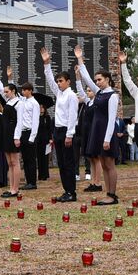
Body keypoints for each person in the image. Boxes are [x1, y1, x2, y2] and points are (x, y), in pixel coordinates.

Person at [43, 47, 81, 202]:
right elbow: (50, 81)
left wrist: (69, 135)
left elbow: (72, 116)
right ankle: (66, 190)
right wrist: (47, 64)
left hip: (67, 131)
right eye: (58, 81)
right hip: (58, 131)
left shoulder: (71, 95)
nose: (58, 84)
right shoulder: (59, 93)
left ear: (68, 82)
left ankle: (72, 192)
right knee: (61, 163)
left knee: (68, 163)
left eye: (61, 81)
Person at [80, 63, 120, 206]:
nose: (97, 82)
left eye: (100, 79)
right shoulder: (99, 93)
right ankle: (108, 193)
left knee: (109, 164)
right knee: (103, 164)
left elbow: (111, 119)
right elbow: (87, 79)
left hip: (106, 132)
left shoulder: (113, 96)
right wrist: (80, 60)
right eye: (96, 80)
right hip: (97, 132)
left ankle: (112, 195)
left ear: (107, 79)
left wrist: (107, 139)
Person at [0, 64, 23, 197]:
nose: (5, 93)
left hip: (13, 134)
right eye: (5, 92)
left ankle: (15, 189)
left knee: (15, 162)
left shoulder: (19, 103)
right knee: (9, 162)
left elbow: (20, 121)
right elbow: (0, 87)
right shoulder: (8, 101)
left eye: (7, 91)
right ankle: (11, 188)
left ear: (13, 91)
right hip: (5, 134)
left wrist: (17, 137)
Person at [14, 78, 41, 190]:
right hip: (23, 132)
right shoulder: (23, 101)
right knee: (25, 159)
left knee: (31, 159)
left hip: (30, 132)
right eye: (22, 90)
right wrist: (10, 79)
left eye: (25, 90)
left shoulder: (34, 103)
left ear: (30, 91)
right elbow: (14, 93)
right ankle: (28, 180)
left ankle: (32, 182)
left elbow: (35, 121)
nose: (23, 92)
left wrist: (32, 137)